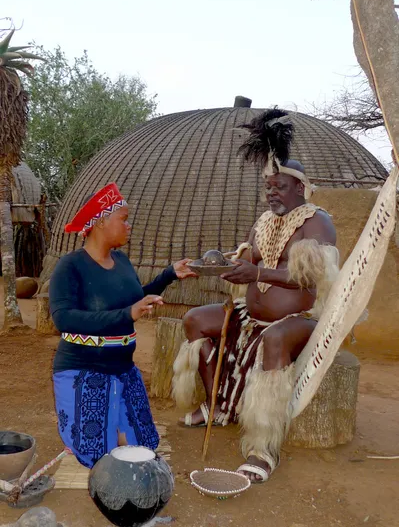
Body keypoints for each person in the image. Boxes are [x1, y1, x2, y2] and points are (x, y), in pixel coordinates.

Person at [172, 109, 340, 483]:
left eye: (279, 186)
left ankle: (264, 446)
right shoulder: (264, 222)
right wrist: (225, 265)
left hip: (296, 319)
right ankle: (219, 405)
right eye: (268, 187)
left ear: (300, 188)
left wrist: (258, 273)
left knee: (274, 341)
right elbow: (248, 259)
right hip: (251, 314)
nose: (272, 193)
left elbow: (308, 278)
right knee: (195, 320)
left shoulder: (317, 221)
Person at [49, 182, 196, 468]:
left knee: (142, 446)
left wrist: (168, 275)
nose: (129, 226)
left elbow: (131, 298)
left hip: (123, 370)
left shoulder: (121, 260)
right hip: (84, 370)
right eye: (124, 219)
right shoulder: (70, 267)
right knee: (100, 456)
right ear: (102, 222)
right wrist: (127, 314)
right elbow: (64, 319)